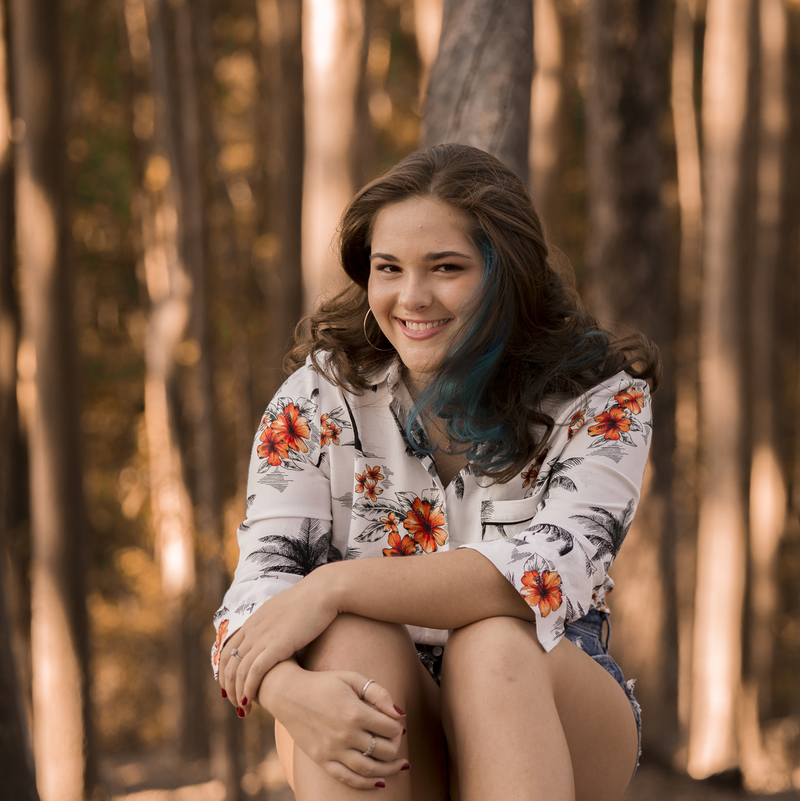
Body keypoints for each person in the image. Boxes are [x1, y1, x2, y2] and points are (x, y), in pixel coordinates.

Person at [212, 143, 657, 801]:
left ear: (505, 273)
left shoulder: (601, 401)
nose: (412, 297)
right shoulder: (317, 399)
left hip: (550, 698)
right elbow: (254, 599)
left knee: (493, 645)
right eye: (389, 268)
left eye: (445, 267)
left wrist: (331, 586)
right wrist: (286, 689)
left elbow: (539, 576)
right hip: (384, 708)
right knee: (351, 644)